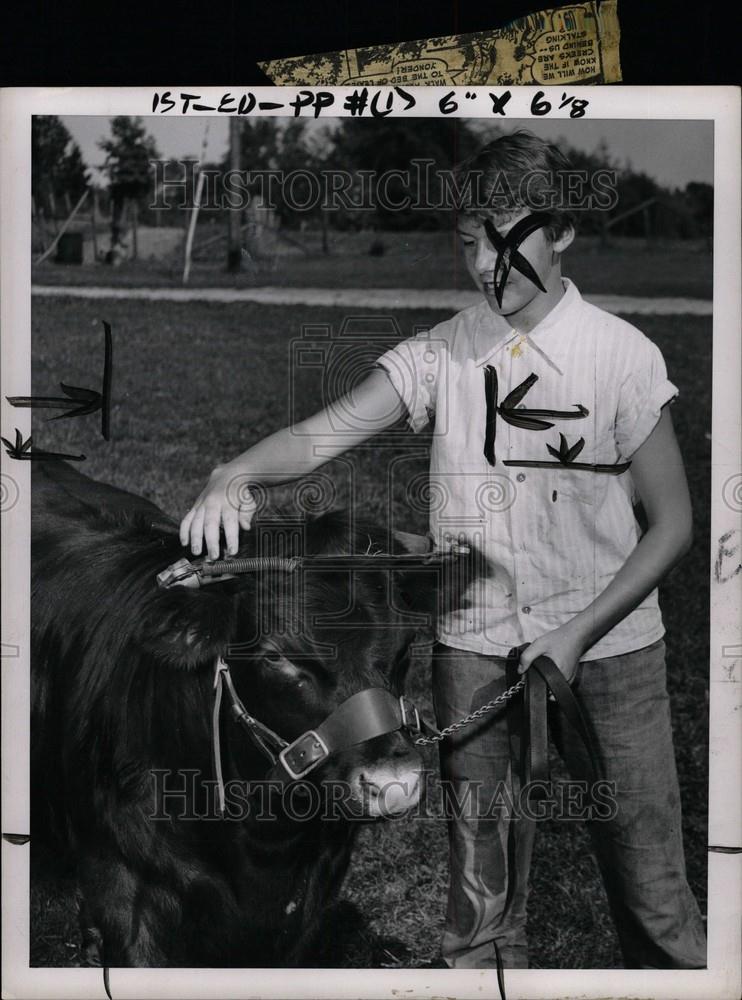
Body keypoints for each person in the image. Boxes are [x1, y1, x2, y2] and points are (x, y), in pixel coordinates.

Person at [180, 131, 706, 970]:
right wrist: (232, 472)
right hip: (476, 656)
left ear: (561, 233)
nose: (486, 267)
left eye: (508, 242)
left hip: (613, 658)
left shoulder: (623, 357)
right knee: (481, 906)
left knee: (654, 898)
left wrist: (574, 636)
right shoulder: (442, 352)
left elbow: (674, 525)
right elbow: (324, 435)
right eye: (470, 244)